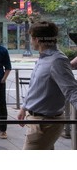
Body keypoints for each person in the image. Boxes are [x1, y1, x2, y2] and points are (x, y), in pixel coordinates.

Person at [17, 21, 77, 150]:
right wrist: (24, 107)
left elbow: (72, 91)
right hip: (38, 121)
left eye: (31, 38)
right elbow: (35, 86)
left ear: (37, 39)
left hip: (45, 124)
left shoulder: (57, 60)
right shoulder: (44, 58)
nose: (30, 41)